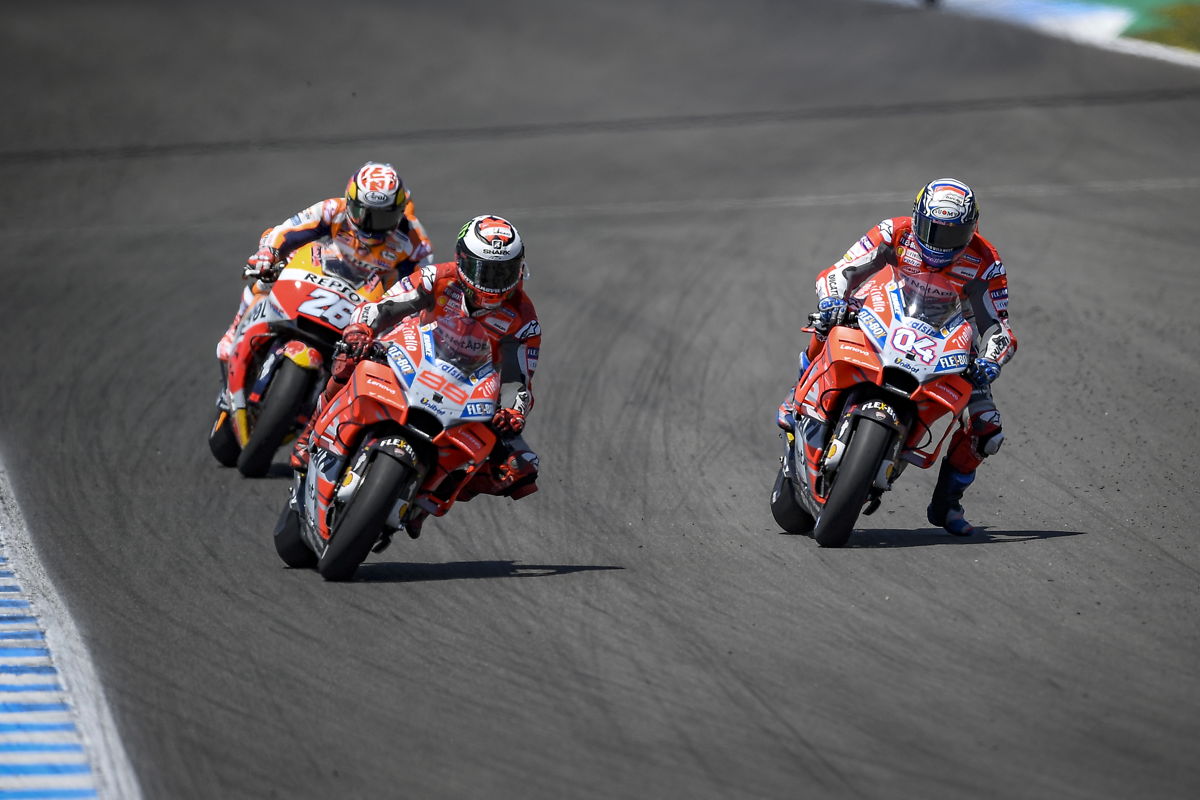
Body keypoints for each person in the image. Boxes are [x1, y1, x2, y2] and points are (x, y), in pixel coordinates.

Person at [785, 178, 1016, 535]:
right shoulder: (894, 231)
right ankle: (798, 393)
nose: (940, 243)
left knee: (989, 430)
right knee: (826, 323)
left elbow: (998, 327)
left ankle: (947, 504)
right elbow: (841, 270)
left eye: (952, 235)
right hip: (882, 313)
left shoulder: (986, 262)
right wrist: (833, 299)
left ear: (971, 231)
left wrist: (990, 360)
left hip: (949, 343)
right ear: (916, 217)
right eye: (932, 230)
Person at [291, 214, 542, 538]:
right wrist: (360, 330)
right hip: (411, 356)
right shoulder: (437, 278)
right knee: (348, 357)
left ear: (519, 268)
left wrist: (512, 411)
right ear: (462, 261)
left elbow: (517, 377)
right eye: (484, 270)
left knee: (518, 466)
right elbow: (384, 305)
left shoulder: (523, 317)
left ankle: (426, 500)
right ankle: (313, 426)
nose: (492, 281)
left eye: (502, 272)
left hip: (469, 390)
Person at [216, 161, 433, 361]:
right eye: (361, 213)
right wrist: (268, 253)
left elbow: (417, 289)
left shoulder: (415, 241)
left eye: (382, 217)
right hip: (321, 271)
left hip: (367, 298)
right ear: (349, 201)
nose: (370, 225)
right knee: (267, 274)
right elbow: (288, 231)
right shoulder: (333, 209)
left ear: (400, 212)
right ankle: (235, 330)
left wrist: (403, 319)